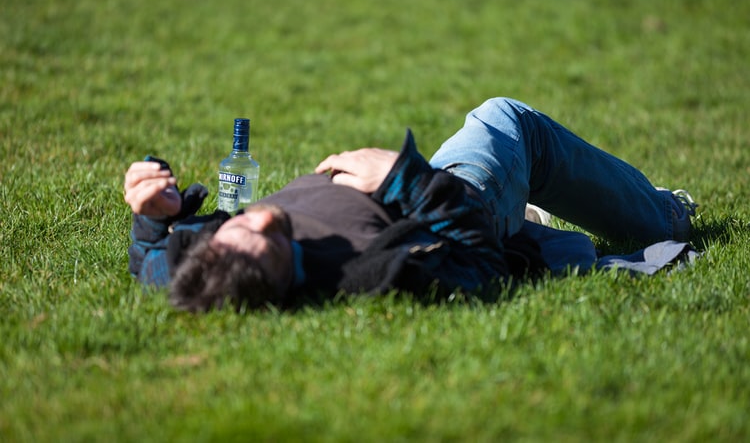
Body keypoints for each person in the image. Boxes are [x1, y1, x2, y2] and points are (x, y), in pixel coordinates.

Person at [124, 97, 698, 312]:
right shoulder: (374, 275)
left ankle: (531, 219)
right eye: (272, 240)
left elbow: (152, 258)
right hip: (453, 198)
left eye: (238, 227)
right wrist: (402, 179)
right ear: (280, 280)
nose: (263, 218)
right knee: (506, 120)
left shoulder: (202, 268)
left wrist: (152, 211)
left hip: (420, 191)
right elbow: (479, 263)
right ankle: (664, 214)